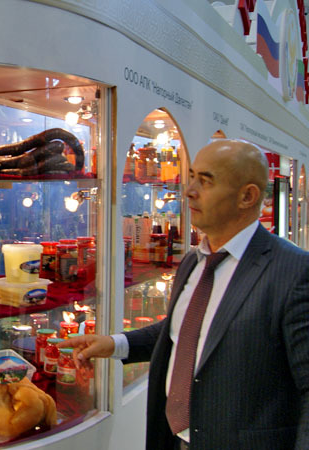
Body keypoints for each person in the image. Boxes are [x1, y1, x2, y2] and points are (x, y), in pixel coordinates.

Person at [59, 139, 309, 450]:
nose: (189, 191)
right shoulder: (194, 260)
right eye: (191, 177)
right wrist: (115, 344)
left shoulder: (293, 271)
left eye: (206, 181)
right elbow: (186, 332)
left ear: (247, 196)